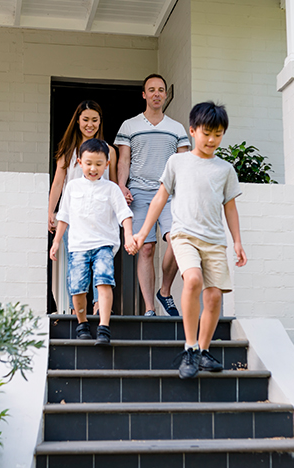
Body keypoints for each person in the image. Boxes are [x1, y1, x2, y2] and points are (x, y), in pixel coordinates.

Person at [128, 102, 247, 378]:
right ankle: (190, 348)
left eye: (218, 134)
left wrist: (237, 241)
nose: (212, 140)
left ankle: (204, 351)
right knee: (192, 280)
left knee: (214, 296)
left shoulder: (225, 169)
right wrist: (142, 233)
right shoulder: (177, 162)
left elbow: (230, 207)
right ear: (192, 131)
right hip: (184, 235)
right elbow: (159, 198)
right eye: (207, 133)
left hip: (215, 240)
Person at [115, 74, 189, 317]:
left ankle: (164, 292)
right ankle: (149, 309)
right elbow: (124, 159)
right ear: (144, 95)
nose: (156, 93)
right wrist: (121, 186)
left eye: (160, 90)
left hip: (169, 195)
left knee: (178, 242)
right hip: (138, 194)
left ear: (165, 95)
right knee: (145, 249)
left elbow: (185, 164)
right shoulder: (130, 126)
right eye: (151, 90)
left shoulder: (176, 128)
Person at [50, 139, 135, 345]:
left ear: (107, 164)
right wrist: (57, 241)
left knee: (104, 281)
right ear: (79, 162)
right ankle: (82, 323)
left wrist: (129, 236)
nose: (93, 168)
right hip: (78, 245)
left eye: (98, 164)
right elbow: (64, 216)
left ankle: (104, 327)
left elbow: (125, 214)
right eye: (88, 163)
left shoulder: (111, 189)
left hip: (104, 244)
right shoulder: (72, 187)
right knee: (77, 288)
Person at [48, 100, 117, 314]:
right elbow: (59, 182)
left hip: (100, 217)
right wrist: (51, 211)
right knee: (75, 264)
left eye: (94, 120)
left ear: (100, 122)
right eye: (85, 119)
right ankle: (74, 309)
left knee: (101, 264)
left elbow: (112, 184)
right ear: (77, 120)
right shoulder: (68, 149)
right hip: (74, 217)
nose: (90, 124)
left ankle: (98, 306)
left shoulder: (110, 151)